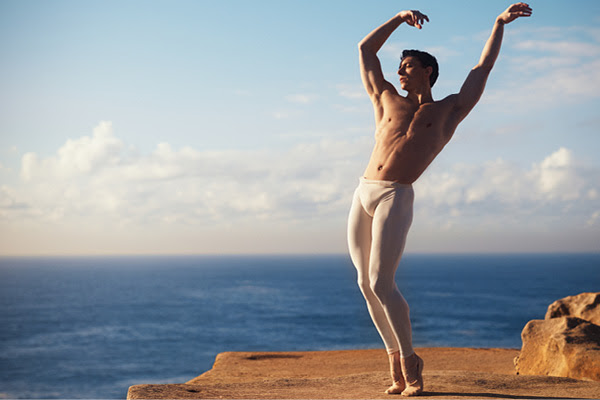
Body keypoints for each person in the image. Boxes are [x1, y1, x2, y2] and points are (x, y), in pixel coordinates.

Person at [347, 3, 532, 396]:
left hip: (396, 194)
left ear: (428, 70)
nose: (400, 73)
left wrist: (499, 24)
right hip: (363, 190)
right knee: (364, 283)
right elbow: (365, 50)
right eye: (399, 66)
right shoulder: (384, 98)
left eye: (408, 66)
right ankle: (394, 359)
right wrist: (398, 18)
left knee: (382, 281)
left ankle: (412, 363)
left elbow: (482, 70)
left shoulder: (449, 109)